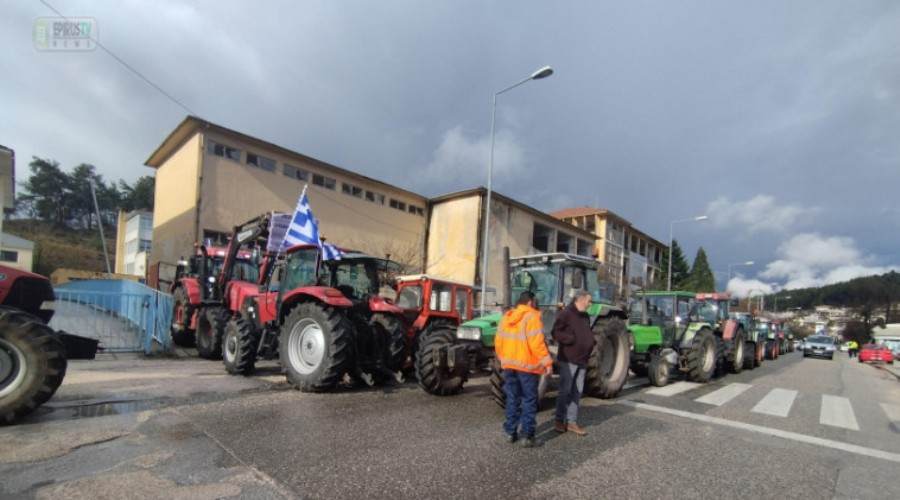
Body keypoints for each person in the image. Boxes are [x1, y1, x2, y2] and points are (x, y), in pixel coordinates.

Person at [494, 291, 553, 448]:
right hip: (527, 368)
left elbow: (498, 341)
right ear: (529, 303)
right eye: (534, 301)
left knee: (512, 399)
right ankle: (527, 436)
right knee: (529, 400)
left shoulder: (506, 318)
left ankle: (510, 432)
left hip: (510, 366)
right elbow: (537, 344)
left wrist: (503, 359)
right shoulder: (532, 318)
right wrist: (547, 363)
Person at [551, 290, 595, 436]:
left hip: (582, 359)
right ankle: (559, 420)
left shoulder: (585, 316)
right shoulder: (565, 314)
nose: (590, 304)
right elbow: (555, 332)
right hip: (568, 359)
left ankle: (572, 422)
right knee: (565, 390)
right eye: (589, 301)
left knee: (577, 391)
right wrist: (570, 339)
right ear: (581, 300)